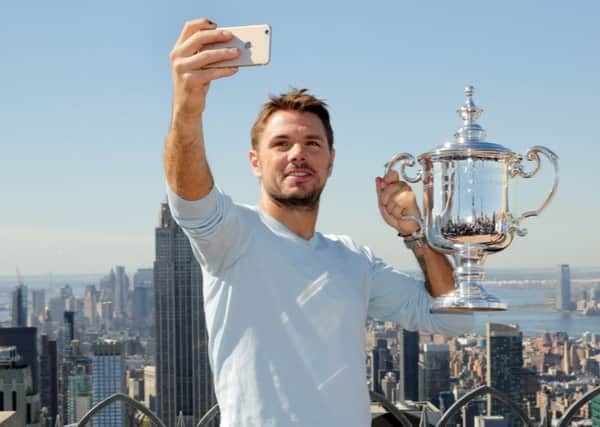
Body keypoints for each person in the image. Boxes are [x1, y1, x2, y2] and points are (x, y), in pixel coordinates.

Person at [164, 18, 472, 427]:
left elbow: (453, 317)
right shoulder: (232, 236)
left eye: (312, 143)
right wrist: (188, 107)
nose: (298, 154)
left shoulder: (353, 260)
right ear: (255, 162)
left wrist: (415, 232)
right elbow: (189, 195)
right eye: (281, 144)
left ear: (330, 161)